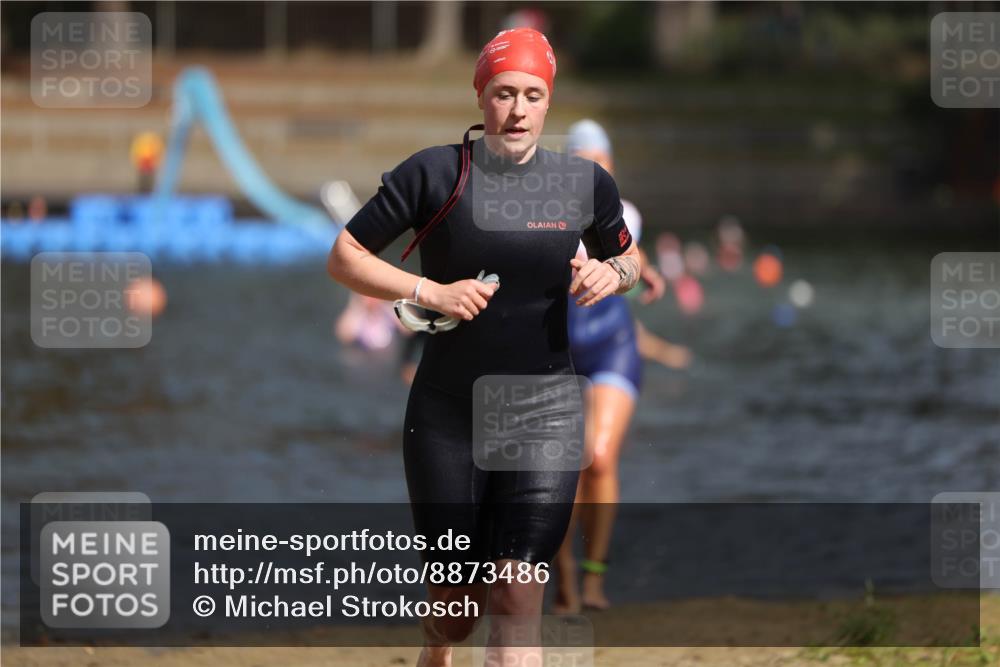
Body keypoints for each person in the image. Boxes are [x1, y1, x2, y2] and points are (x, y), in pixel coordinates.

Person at [327, 28, 641, 667]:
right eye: (503, 93)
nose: (518, 109)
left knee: (518, 594)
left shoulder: (583, 185)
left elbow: (630, 258)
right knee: (456, 612)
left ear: (548, 103)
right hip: (449, 411)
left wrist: (616, 274)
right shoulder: (435, 174)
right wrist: (429, 290)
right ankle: (436, 645)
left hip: (546, 408)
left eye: (532, 94)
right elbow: (345, 257)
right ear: (481, 97)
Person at [554, 120, 688, 615]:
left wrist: (646, 270)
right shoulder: (545, 214)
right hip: (558, 349)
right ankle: (563, 576)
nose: (592, 169)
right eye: (582, 160)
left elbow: (629, 247)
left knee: (600, 456)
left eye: (601, 160)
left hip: (612, 344)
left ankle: (594, 576)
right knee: (561, 470)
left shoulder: (620, 208)